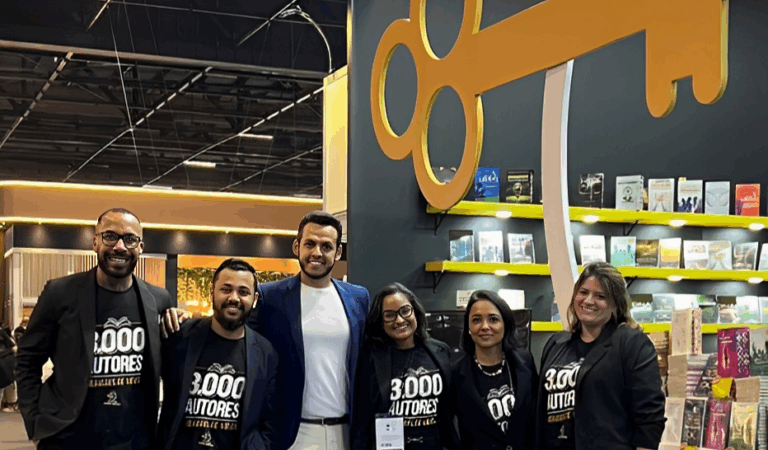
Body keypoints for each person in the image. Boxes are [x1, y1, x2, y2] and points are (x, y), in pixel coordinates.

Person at [15, 208, 176, 448]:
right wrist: (34, 419)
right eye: (110, 236)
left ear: (140, 247)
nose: (120, 246)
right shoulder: (60, 293)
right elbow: (28, 359)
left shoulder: (159, 300)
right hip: (68, 438)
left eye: (130, 239)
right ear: (95, 242)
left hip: (134, 440)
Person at [247, 211, 370, 450]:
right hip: (294, 434)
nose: (317, 253)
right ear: (296, 246)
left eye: (326, 246)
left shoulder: (358, 298)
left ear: (338, 252)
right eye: (310, 243)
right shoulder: (270, 297)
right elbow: (240, 339)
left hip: (346, 433)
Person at [535, 262, 665, 450]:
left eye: (600, 296)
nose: (588, 301)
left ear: (615, 304)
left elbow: (650, 416)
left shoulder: (631, 343)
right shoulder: (556, 344)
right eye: (583, 292)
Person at [157, 258, 279, 450]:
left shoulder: (266, 353)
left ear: (254, 300)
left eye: (243, 292)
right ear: (212, 292)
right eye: (226, 289)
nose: (234, 298)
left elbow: (270, 421)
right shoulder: (179, 335)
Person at [351, 283, 452, 450]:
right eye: (389, 315)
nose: (399, 320)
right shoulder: (370, 358)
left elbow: (449, 409)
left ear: (415, 311)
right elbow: (361, 417)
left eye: (405, 311)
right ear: (381, 321)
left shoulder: (440, 351)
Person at [450, 290, 538, 450]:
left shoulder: (525, 362)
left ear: (505, 323)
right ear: (468, 327)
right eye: (476, 320)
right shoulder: (455, 373)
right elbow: (448, 431)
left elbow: (537, 420)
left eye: (493, 319)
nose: (484, 326)